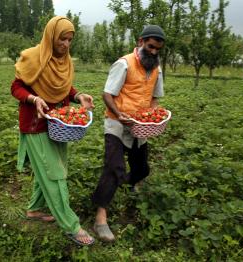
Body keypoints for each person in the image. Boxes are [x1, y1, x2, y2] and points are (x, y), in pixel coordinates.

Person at [11, 16, 95, 246]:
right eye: (62, 39)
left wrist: (78, 96)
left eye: (70, 40)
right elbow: (16, 87)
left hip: (59, 125)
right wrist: (33, 98)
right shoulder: (33, 57)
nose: (66, 45)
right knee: (54, 174)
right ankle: (71, 225)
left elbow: (64, 89)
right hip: (35, 125)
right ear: (51, 36)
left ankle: (35, 209)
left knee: (50, 169)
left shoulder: (64, 62)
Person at [91, 25, 166, 242]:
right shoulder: (124, 64)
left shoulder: (156, 69)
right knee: (114, 166)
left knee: (142, 168)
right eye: (150, 47)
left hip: (139, 125)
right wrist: (119, 113)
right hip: (116, 122)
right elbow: (107, 94)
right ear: (141, 41)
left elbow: (155, 98)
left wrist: (150, 115)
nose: (153, 52)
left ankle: (128, 182)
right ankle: (100, 217)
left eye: (157, 49)